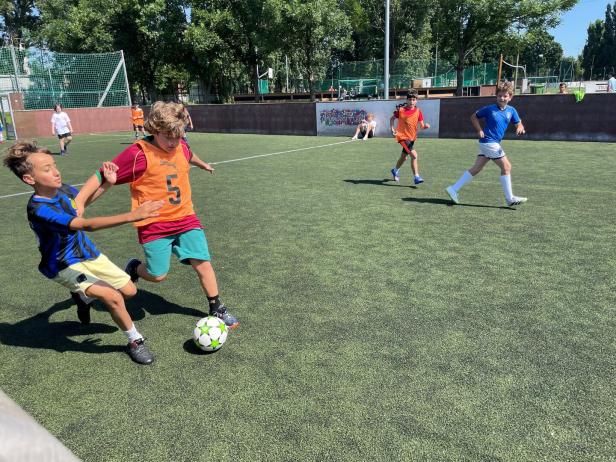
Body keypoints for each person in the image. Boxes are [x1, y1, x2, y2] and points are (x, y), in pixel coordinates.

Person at [78, 101, 239, 329]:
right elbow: (102, 174)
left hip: (185, 217)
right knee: (157, 275)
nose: (173, 142)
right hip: (155, 225)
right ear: (153, 130)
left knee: (203, 262)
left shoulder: (180, 145)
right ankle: (134, 268)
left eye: (178, 135)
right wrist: (79, 203)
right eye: (167, 137)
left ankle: (217, 307)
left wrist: (203, 164)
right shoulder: (139, 154)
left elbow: (188, 154)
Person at [3, 140, 164, 364]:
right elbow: (86, 224)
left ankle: (82, 297)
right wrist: (132, 215)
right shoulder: (39, 210)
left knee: (129, 292)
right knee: (113, 296)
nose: (56, 172)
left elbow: (80, 205)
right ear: (29, 179)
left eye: (54, 165)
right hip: (63, 264)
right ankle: (135, 340)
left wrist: (107, 184)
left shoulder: (63, 188)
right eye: (47, 169)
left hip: (87, 252)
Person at [445, 81, 527, 207]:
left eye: (505, 96)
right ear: (496, 96)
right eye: (499, 95)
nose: (502, 98)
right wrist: (479, 130)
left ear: (510, 97)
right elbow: (473, 117)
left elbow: (518, 123)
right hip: (489, 143)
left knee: (476, 168)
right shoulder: (489, 109)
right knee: (506, 167)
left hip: (490, 144)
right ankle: (510, 198)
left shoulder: (512, 110)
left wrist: (520, 128)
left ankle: (453, 189)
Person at [389, 90, 430, 184]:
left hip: (412, 138)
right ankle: (416, 177)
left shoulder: (418, 112)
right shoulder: (401, 110)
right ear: (406, 100)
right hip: (402, 137)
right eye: (410, 99)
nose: (411, 101)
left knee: (404, 157)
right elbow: (391, 119)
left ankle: (395, 170)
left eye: (414, 99)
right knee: (414, 156)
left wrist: (426, 127)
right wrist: (392, 129)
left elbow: (421, 126)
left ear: (416, 101)